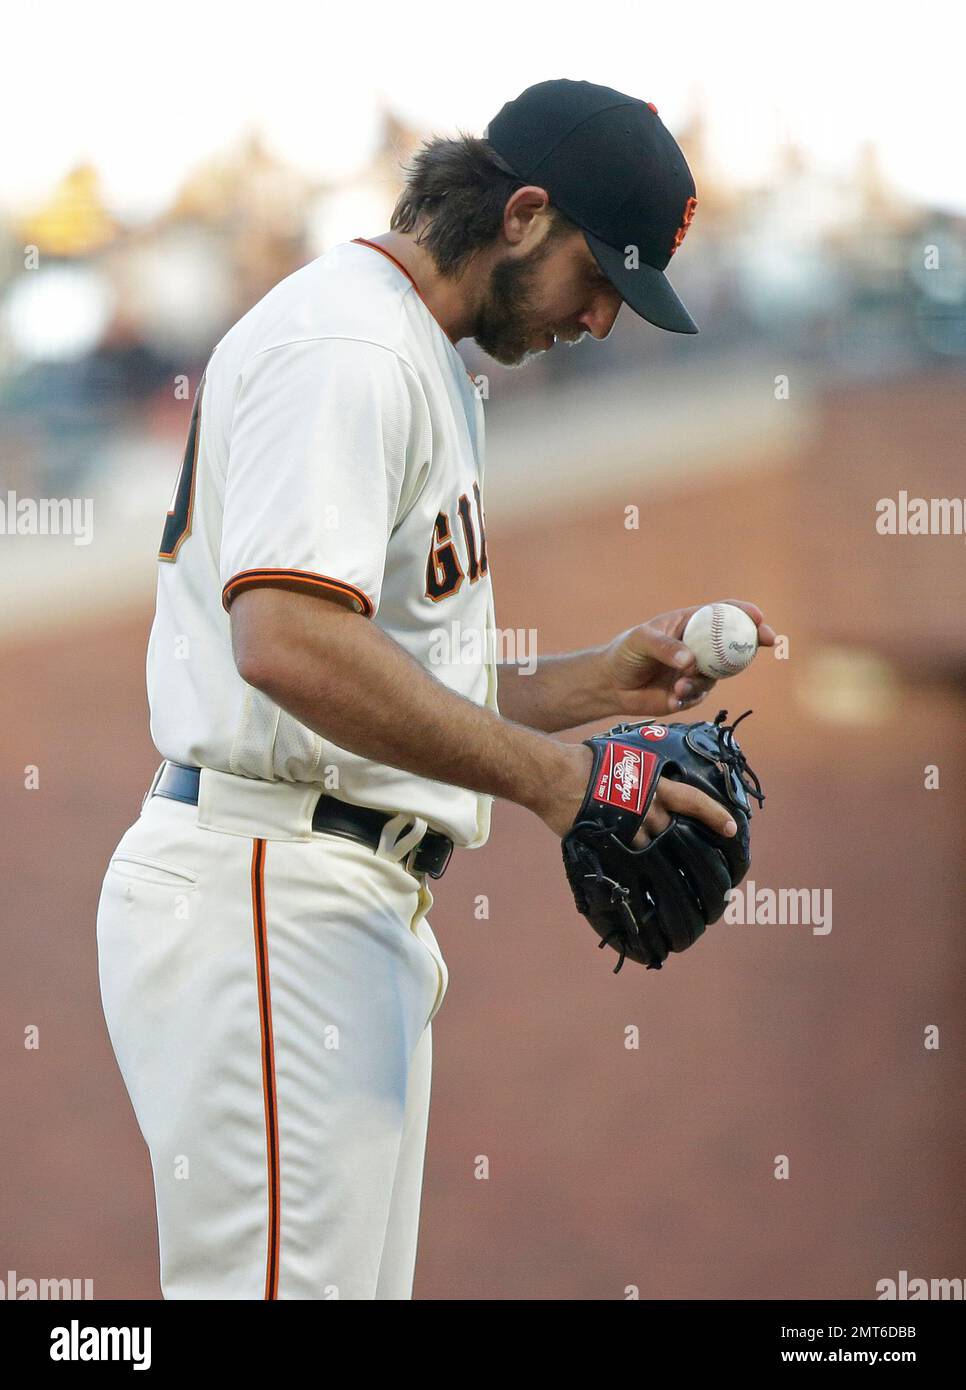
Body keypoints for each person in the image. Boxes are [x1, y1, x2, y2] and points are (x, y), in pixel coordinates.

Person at [96, 78, 774, 1300]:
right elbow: (288, 646)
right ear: (522, 214)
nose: (606, 320)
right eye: (604, 277)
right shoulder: (352, 344)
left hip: (326, 896)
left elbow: (389, 683)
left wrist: (588, 687)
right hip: (270, 885)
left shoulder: (405, 348)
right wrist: (563, 785)